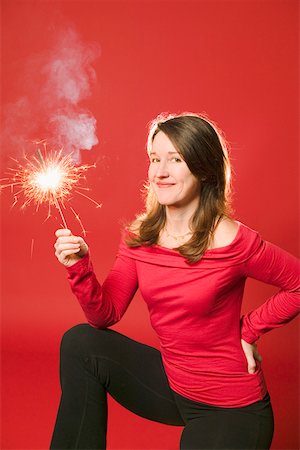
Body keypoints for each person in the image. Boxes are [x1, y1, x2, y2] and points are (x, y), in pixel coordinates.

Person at [50, 113, 299, 450]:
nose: (160, 172)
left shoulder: (232, 241)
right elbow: (104, 315)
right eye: (155, 159)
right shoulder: (140, 237)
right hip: (173, 384)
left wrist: (250, 330)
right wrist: (79, 267)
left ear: (204, 168)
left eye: (176, 160)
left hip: (228, 408)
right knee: (81, 343)